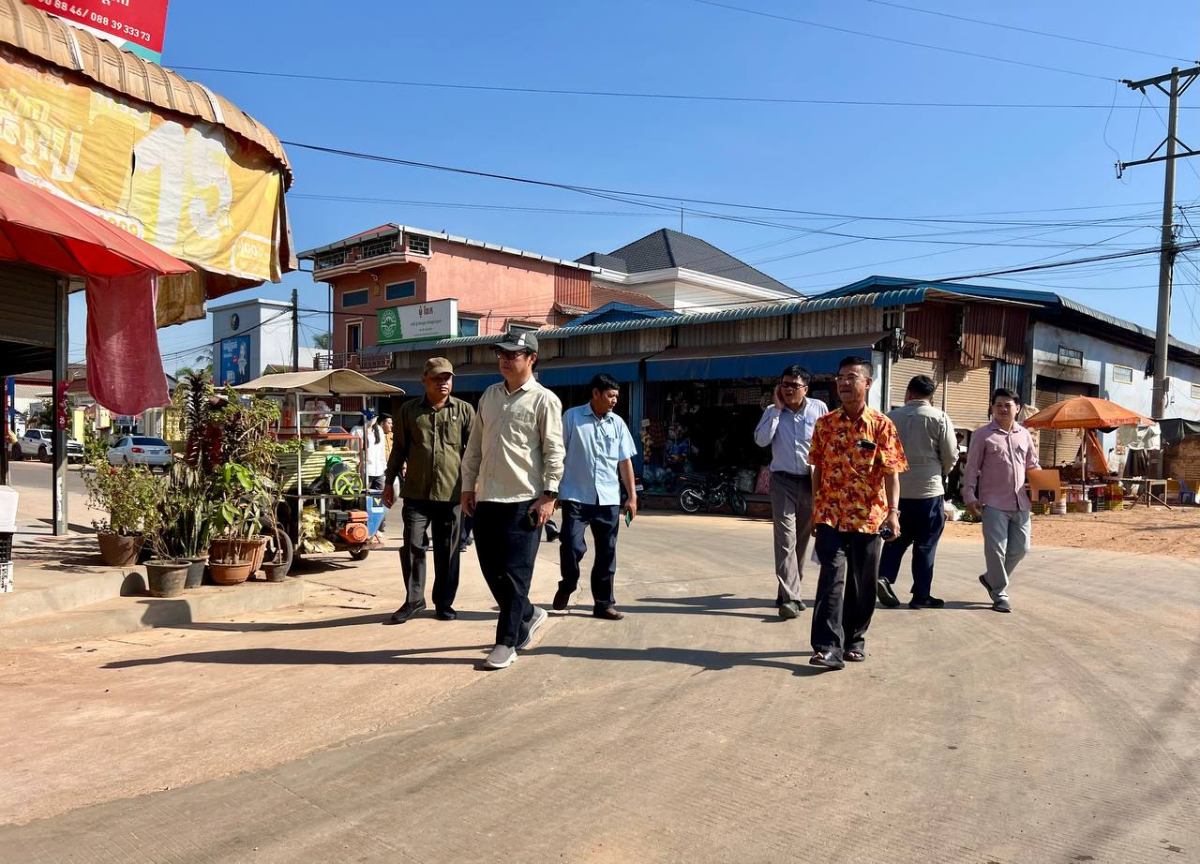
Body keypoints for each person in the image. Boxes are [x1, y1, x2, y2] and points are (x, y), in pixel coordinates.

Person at [461, 331, 565, 670]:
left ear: (531, 358)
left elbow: (554, 452)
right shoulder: (489, 396)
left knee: (517, 574)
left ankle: (506, 642)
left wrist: (549, 496)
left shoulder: (544, 400)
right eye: (502, 354)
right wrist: (467, 487)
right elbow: (474, 446)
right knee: (492, 571)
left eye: (514, 354)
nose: (505, 360)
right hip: (488, 498)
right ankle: (529, 613)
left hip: (525, 500)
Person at [807, 356, 907, 670]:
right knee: (831, 577)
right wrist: (816, 508)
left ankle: (854, 639)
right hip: (831, 515)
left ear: (868, 383)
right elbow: (817, 468)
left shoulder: (882, 425)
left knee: (863, 583)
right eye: (840, 377)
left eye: (852, 377)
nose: (844, 383)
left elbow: (892, 473)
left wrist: (893, 513)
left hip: (869, 517)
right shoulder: (825, 424)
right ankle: (827, 648)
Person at [383, 359, 475, 623]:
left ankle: (444, 603)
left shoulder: (465, 410)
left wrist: (474, 487)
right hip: (416, 493)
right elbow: (399, 449)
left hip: (452, 494)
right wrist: (389, 482)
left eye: (447, 378)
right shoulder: (409, 411)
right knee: (413, 545)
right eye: (437, 378)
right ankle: (414, 600)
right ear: (424, 380)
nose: (443, 383)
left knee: (448, 551)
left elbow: (474, 453)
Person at [554, 373, 639, 620]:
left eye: (617, 397)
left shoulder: (618, 424)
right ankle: (568, 583)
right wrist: (552, 489)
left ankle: (604, 604)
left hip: (608, 499)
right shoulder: (572, 417)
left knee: (607, 553)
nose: (614, 401)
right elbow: (557, 454)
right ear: (596, 393)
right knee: (571, 545)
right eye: (610, 396)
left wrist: (632, 497)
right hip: (575, 496)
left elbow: (624, 462)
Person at [876, 375, 958, 609]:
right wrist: (941, 471)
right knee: (926, 544)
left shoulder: (889, 418)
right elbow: (951, 454)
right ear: (930, 396)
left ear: (908, 393)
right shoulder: (939, 417)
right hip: (928, 491)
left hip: (897, 492)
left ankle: (884, 577)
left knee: (894, 539)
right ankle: (921, 595)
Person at [753, 364, 828, 619]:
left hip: (810, 481)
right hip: (782, 481)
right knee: (785, 539)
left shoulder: (819, 408)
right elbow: (761, 440)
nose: (788, 390)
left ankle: (786, 591)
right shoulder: (772, 411)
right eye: (784, 385)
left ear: (805, 388)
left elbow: (827, 443)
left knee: (802, 540)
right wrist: (776, 410)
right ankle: (792, 598)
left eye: (794, 386)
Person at [962, 388, 1039, 614]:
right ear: (992, 408)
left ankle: (991, 579)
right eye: (999, 405)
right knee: (996, 550)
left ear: (1018, 408)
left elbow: (1032, 465)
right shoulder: (982, 435)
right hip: (993, 502)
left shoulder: (1024, 435)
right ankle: (999, 593)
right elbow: (971, 467)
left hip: (1021, 502)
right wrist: (969, 495)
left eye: (1008, 405)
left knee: (1021, 548)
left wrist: (1044, 488)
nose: (1003, 409)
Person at [353, 410, 387, 492]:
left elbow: (382, 450)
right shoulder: (357, 430)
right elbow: (350, 449)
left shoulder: (379, 430)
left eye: (375, 418)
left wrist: (384, 467)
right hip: (365, 470)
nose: (373, 420)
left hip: (379, 470)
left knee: (380, 495)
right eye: (371, 418)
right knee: (364, 494)